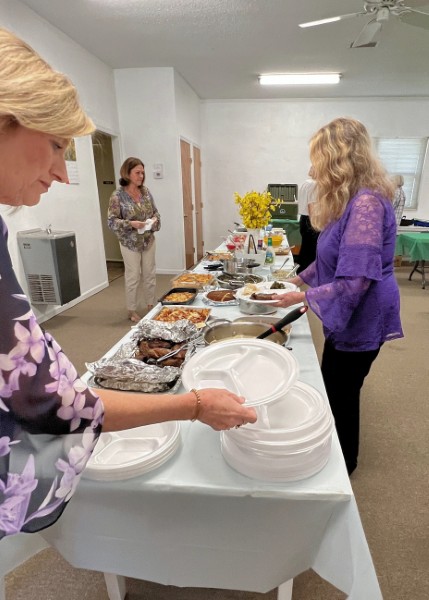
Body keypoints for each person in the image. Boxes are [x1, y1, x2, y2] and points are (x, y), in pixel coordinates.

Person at [0, 28, 256, 539]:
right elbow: (53, 404)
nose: (62, 173)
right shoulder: (116, 198)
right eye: (56, 146)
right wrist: (194, 405)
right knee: (135, 281)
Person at [271, 117, 403, 475]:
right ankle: (337, 455)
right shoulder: (351, 201)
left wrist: (303, 299)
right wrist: (296, 281)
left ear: (337, 158)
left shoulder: (366, 205)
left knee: (339, 391)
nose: (312, 170)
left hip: (364, 316)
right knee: (336, 385)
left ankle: (343, 465)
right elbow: (330, 259)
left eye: (316, 159)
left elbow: (355, 281)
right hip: (353, 311)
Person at [108, 158, 160, 323]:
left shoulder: (146, 192)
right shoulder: (117, 196)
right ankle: (131, 310)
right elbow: (112, 222)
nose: (141, 176)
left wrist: (154, 220)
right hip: (129, 243)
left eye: (142, 173)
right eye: (137, 172)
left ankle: (151, 304)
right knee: (133, 276)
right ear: (127, 173)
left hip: (148, 241)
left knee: (149, 274)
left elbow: (156, 212)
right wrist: (131, 224)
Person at [296, 166, 319, 273]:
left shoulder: (306, 183)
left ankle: (301, 271)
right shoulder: (314, 184)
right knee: (311, 251)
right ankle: (306, 273)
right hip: (311, 220)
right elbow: (312, 206)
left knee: (305, 248)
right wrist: (317, 225)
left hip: (303, 219)